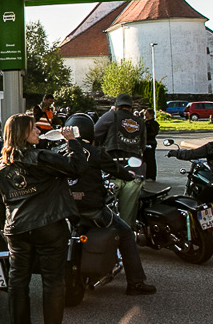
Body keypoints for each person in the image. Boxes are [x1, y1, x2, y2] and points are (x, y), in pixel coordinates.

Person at [0, 116, 86, 324]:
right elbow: (77, 168)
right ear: (22, 133)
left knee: (17, 279)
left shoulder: (0, 166)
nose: (37, 131)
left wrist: (4, 230)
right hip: (49, 225)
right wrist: (72, 141)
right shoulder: (40, 157)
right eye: (33, 128)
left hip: (16, 228)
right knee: (52, 281)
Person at [63, 113, 155, 295]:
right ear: (89, 131)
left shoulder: (59, 152)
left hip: (65, 209)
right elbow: (116, 170)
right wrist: (129, 175)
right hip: (92, 210)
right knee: (126, 233)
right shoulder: (95, 152)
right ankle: (135, 283)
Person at [93, 94, 146, 227]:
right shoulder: (140, 121)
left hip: (112, 171)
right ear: (131, 106)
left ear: (116, 105)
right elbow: (143, 146)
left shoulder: (110, 116)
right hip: (134, 172)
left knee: (106, 213)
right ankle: (127, 237)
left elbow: (93, 135)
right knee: (127, 217)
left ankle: (107, 236)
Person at [142, 108, 161, 181]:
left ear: (151, 114)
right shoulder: (144, 122)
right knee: (144, 159)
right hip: (144, 143)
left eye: (146, 113)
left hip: (150, 143)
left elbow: (153, 133)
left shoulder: (153, 124)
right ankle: (145, 175)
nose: (145, 114)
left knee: (150, 160)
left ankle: (151, 176)